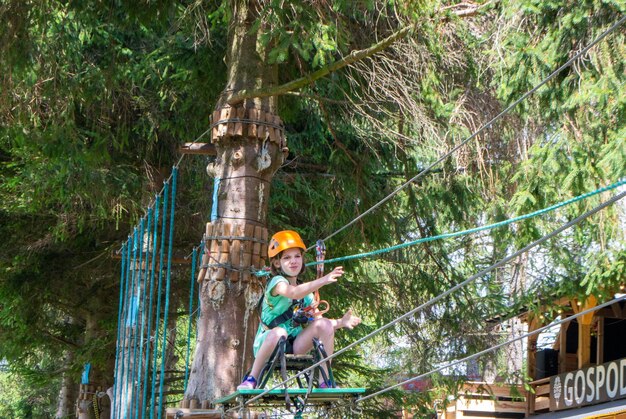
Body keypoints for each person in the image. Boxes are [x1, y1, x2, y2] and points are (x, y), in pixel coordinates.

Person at [237, 230, 361, 390]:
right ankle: (252, 378)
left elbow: (317, 324)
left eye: (297, 256)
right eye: (286, 258)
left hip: (294, 344)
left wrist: (341, 322)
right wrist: (323, 280)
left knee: (324, 324)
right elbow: (293, 292)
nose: (293, 261)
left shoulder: (306, 295)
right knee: (279, 332)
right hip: (270, 341)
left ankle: (325, 381)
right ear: (277, 263)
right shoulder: (277, 282)